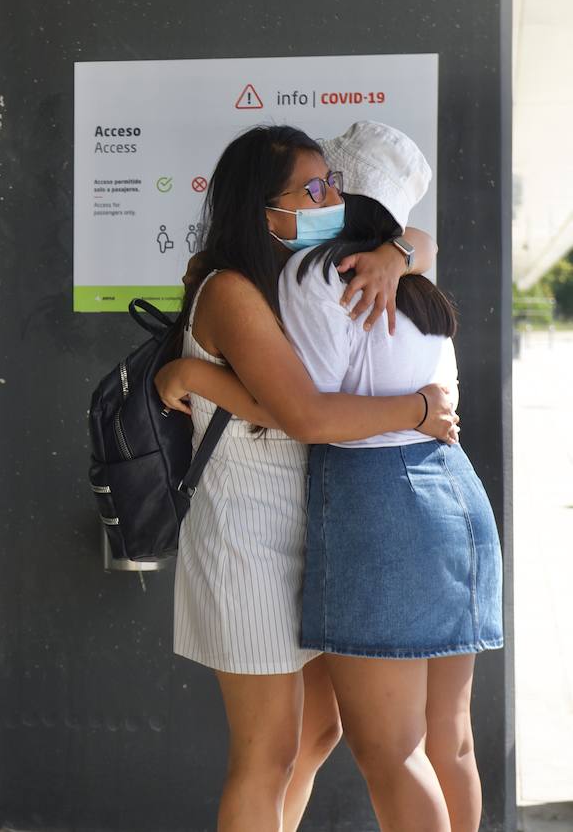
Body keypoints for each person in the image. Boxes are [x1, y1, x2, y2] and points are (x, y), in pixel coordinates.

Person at [152, 125, 459, 832]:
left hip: (318, 531)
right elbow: (304, 414)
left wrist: (395, 252)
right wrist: (418, 410)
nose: (332, 199)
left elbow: (422, 240)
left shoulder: (304, 272)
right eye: (313, 189)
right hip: (248, 540)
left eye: (334, 184)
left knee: (318, 737)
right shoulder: (230, 288)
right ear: (262, 210)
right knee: (266, 753)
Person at [279, 122, 502, 832]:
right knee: (449, 738)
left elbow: (306, 408)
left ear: (342, 191)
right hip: (455, 497)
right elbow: (420, 242)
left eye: (323, 184)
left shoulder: (320, 274)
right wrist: (400, 248)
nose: (316, 196)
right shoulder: (417, 279)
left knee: (391, 751)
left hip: (378, 504)